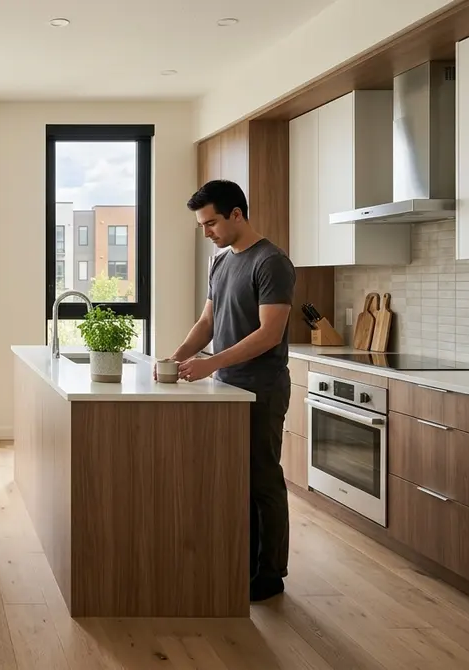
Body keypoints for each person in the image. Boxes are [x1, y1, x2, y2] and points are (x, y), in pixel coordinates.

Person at [162, 179, 295, 602]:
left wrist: (210, 364)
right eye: (202, 225)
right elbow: (207, 323)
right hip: (227, 386)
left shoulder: (271, 262)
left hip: (261, 388)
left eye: (211, 223)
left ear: (237, 214)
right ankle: (242, 562)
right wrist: (175, 358)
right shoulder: (220, 262)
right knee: (233, 480)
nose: (207, 233)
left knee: (262, 480)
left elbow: (269, 334)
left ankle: (270, 575)